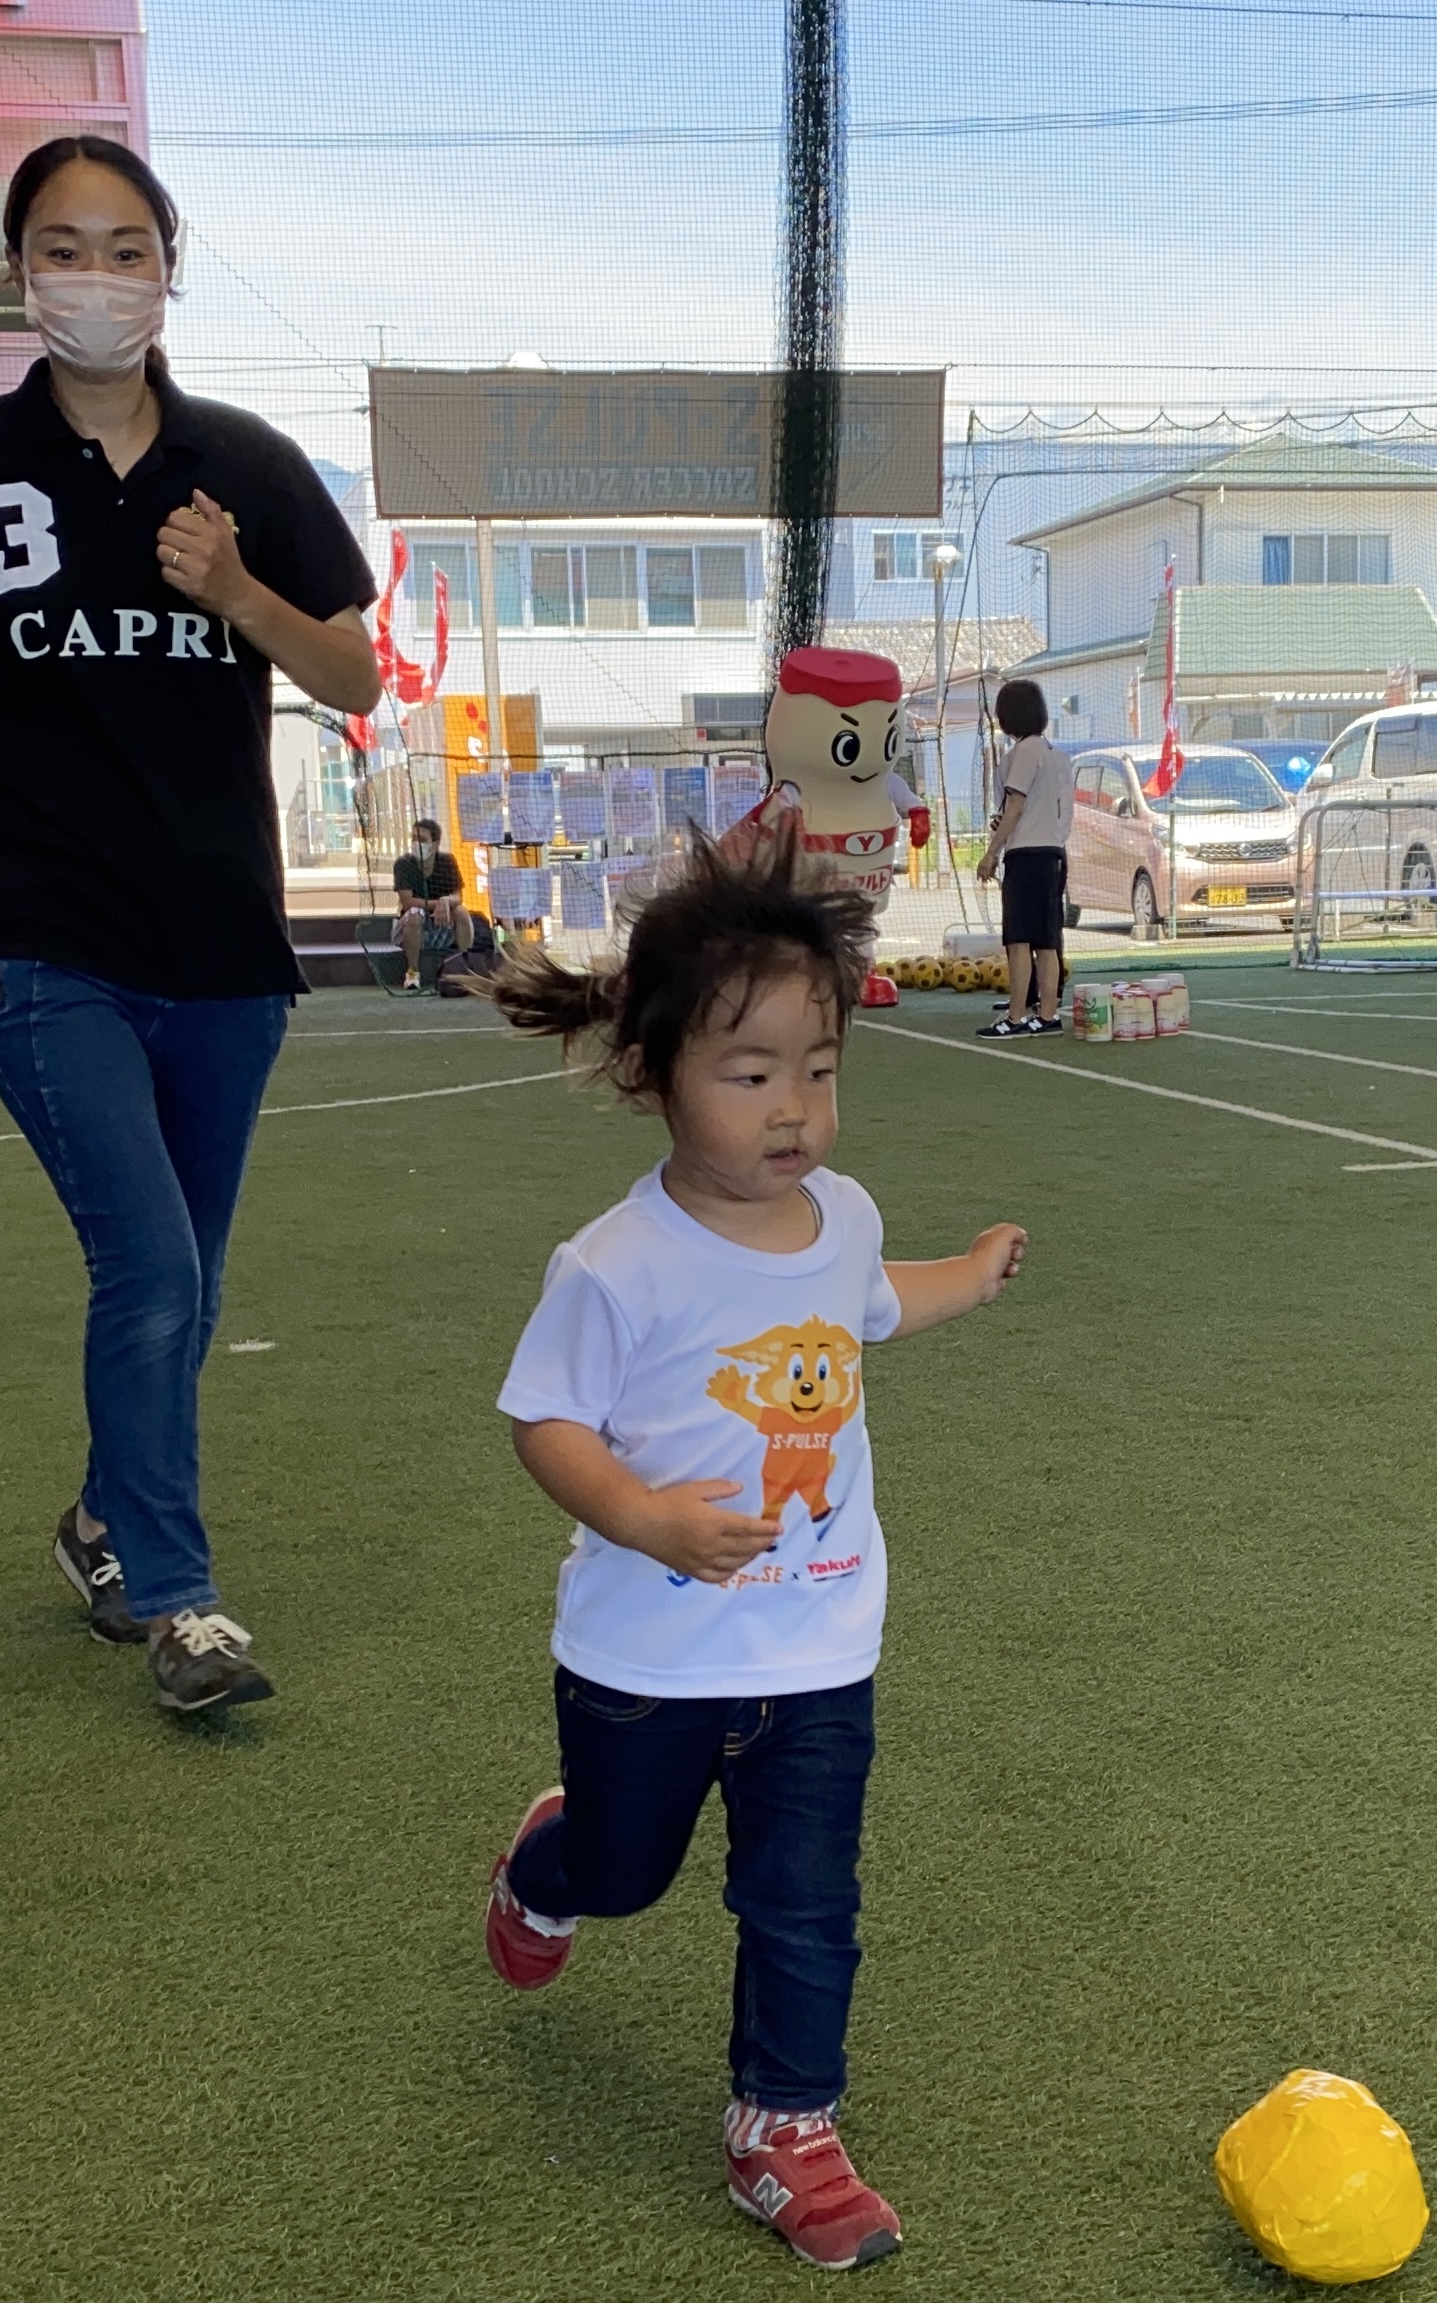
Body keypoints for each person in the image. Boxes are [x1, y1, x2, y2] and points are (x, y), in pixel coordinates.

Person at [0, 134, 379, 1714]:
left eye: (127, 249)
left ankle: (99, 1520)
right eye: (64, 248)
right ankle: (179, 1601)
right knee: (146, 1261)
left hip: (221, 939)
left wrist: (242, 594)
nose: (96, 278)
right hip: (39, 926)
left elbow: (353, 675)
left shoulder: (248, 463)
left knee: (187, 1279)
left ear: (167, 271)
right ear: (19, 273)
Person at [477, 838, 1027, 2272]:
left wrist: (969, 1276)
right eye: (751, 1071)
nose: (794, 1107)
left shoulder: (842, 1215)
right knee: (626, 1868)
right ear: (652, 1072)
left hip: (818, 1640)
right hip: (647, 1656)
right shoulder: (616, 1263)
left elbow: (867, 1302)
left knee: (804, 1898)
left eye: (820, 1067)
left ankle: (786, 2122)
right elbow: (546, 1419)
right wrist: (646, 1518)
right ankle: (550, 1862)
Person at [974, 678, 1075, 1036]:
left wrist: (991, 852)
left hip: (1026, 855)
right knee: (1046, 941)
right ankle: (1048, 1015)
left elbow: (1015, 806)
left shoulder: (1024, 752)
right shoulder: (1056, 755)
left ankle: (1015, 1017)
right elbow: (1051, 809)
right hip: (1053, 853)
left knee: (1018, 941)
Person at [392, 815, 467, 973]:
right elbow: (408, 902)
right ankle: (412, 972)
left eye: (422, 839)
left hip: (442, 924)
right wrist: (439, 904)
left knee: (461, 911)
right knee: (415, 914)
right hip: (409, 927)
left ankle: (464, 967)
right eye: (413, 838)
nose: (416, 843)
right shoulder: (403, 864)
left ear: (435, 844)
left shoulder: (447, 861)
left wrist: (446, 900)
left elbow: (458, 897)